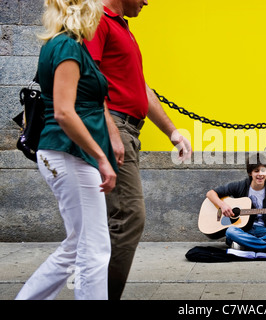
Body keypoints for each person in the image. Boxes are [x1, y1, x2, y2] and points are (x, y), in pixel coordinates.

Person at [84, 0, 192, 300]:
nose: (147, 1)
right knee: (130, 217)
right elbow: (87, 79)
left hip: (127, 128)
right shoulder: (99, 21)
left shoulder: (122, 26)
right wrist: (111, 132)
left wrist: (172, 131)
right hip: (115, 127)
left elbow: (141, 87)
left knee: (115, 223)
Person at [16, 0, 118, 300]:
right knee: (95, 247)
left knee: (77, 244)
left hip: (65, 153)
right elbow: (63, 112)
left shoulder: (62, 44)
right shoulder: (68, 46)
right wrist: (102, 158)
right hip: (69, 153)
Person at [206, 154, 266, 254]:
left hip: (263, 231)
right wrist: (222, 205)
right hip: (243, 230)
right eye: (256, 171)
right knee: (230, 231)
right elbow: (210, 193)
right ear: (250, 173)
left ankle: (244, 245)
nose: (260, 174)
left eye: (263, 170)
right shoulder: (240, 186)